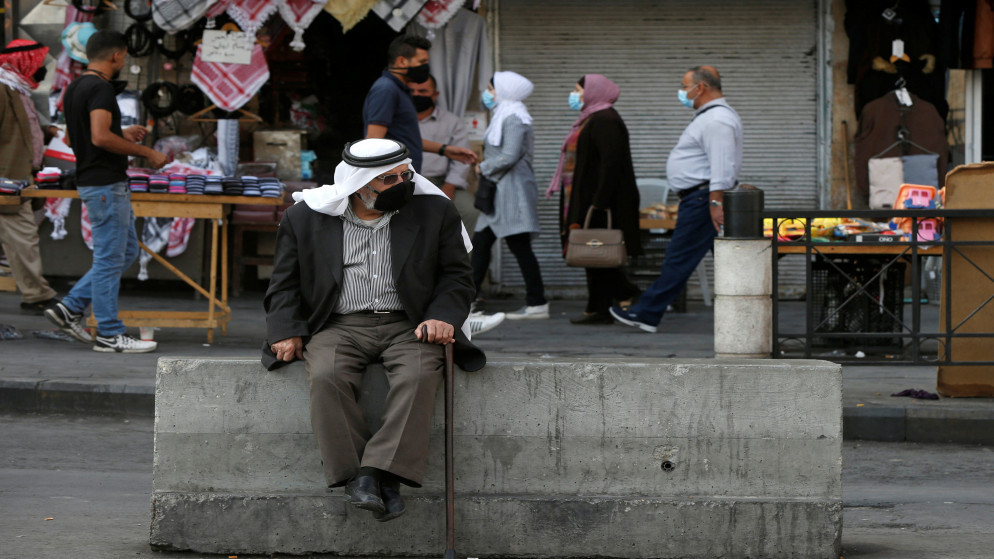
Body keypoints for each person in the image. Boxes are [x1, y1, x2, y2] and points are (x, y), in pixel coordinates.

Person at [263, 138, 485, 522]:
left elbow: (457, 277)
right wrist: (286, 329)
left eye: (405, 175)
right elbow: (283, 282)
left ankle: (372, 475)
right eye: (388, 179)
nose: (401, 184)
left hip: (409, 322)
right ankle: (363, 476)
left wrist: (442, 316)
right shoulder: (306, 217)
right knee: (327, 374)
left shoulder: (434, 211)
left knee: (419, 374)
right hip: (339, 323)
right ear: (359, 184)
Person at [44, 30, 169, 352]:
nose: (124, 61)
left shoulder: (75, 87)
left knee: (123, 253)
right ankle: (109, 334)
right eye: (125, 56)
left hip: (95, 183)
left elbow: (76, 138)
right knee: (109, 259)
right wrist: (147, 153)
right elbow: (99, 138)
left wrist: (120, 132)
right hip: (104, 184)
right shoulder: (100, 88)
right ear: (117, 55)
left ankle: (69, 307)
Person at [610, 65, 742, 333]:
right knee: (731, 260)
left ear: (700, 88)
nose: (682, 92)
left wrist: (715, 203)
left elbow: (722, 166)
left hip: (705, 199)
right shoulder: (710, 117)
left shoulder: (717, 120)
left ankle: (647, 313)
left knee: (679, 257)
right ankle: (745, 313)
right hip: (700, 197)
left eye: (684, 86)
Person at [547, 74, 642, 325]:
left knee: (597, 250)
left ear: (593, 92)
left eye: (578, 90)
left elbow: (611, 166)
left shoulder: (606, 120)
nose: (574, 94)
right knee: (593, 252)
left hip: (600, 201)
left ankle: (626, 293)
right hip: (587, 197)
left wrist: (599, 202)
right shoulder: (591, 119)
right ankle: (598, 308)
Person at [472, 71, 549, 320]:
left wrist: (482, 167)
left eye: (491, 88)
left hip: (511, 193)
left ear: (504, 90)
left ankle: (537, 303)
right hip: (498, 192)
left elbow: (510, 155)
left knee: (518, 246)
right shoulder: (504, 115)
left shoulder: (514, 118)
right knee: (482, 245)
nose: (488, 93)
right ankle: (468, 301)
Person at [0, 39, 61, 315]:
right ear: (24, 63)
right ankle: (37, 295)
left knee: (20, 240)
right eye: (37, 64)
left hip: (20, 177)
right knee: (23, 238)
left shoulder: (17, 89)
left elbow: (21, 128)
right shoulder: (2, 90)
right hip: (8, 180)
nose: (41, 70)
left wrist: (46, 131)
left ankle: (34, 293)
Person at [363, 35, 475, 173]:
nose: (425, 67)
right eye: (422, 61)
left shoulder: (401, 90)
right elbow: (373, 140)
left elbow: (407, 138)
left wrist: (444, 150)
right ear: (402, 61)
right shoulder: (386, 89)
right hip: (395, 180)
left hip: (405, 177)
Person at [411, 74, 478, 232]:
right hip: (408, 182)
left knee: (470, 211)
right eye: (412, 91)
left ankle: (462, 256)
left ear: (435, 95)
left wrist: (448, 189)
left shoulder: (451, 121)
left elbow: (461, 161)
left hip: (443, 182)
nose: (416, 95)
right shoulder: (398, 121)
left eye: (422, 91)